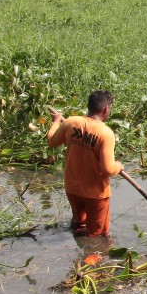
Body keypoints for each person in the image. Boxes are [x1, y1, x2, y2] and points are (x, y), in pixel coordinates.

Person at [47, 90, 123, 237]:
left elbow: (52, 141)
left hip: (72, 188)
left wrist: (56, 122)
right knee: (98, 236)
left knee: (78, 224)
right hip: (95, 194)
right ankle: (91, 258)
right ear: (106, 109)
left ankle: (77, 252)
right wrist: (119, 166)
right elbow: (108, 170)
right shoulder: (106, 133)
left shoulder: (71, 122)